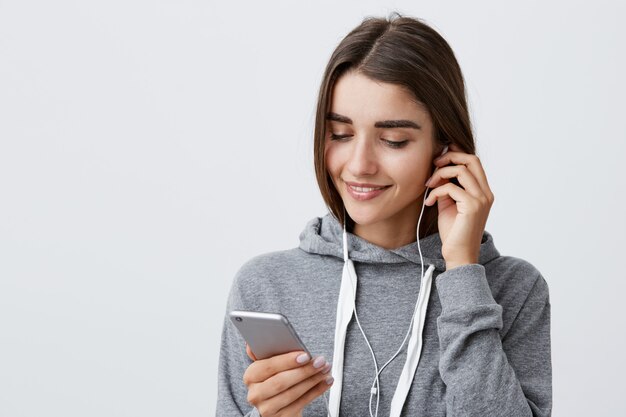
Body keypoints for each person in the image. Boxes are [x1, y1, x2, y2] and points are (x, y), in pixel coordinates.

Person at [216, 12, 552, 417]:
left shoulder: (513, 289)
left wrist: (463, 271)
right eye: (340, 134)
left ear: (446, 149)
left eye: (393, 140)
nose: (359, 165)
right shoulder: (266, 286)